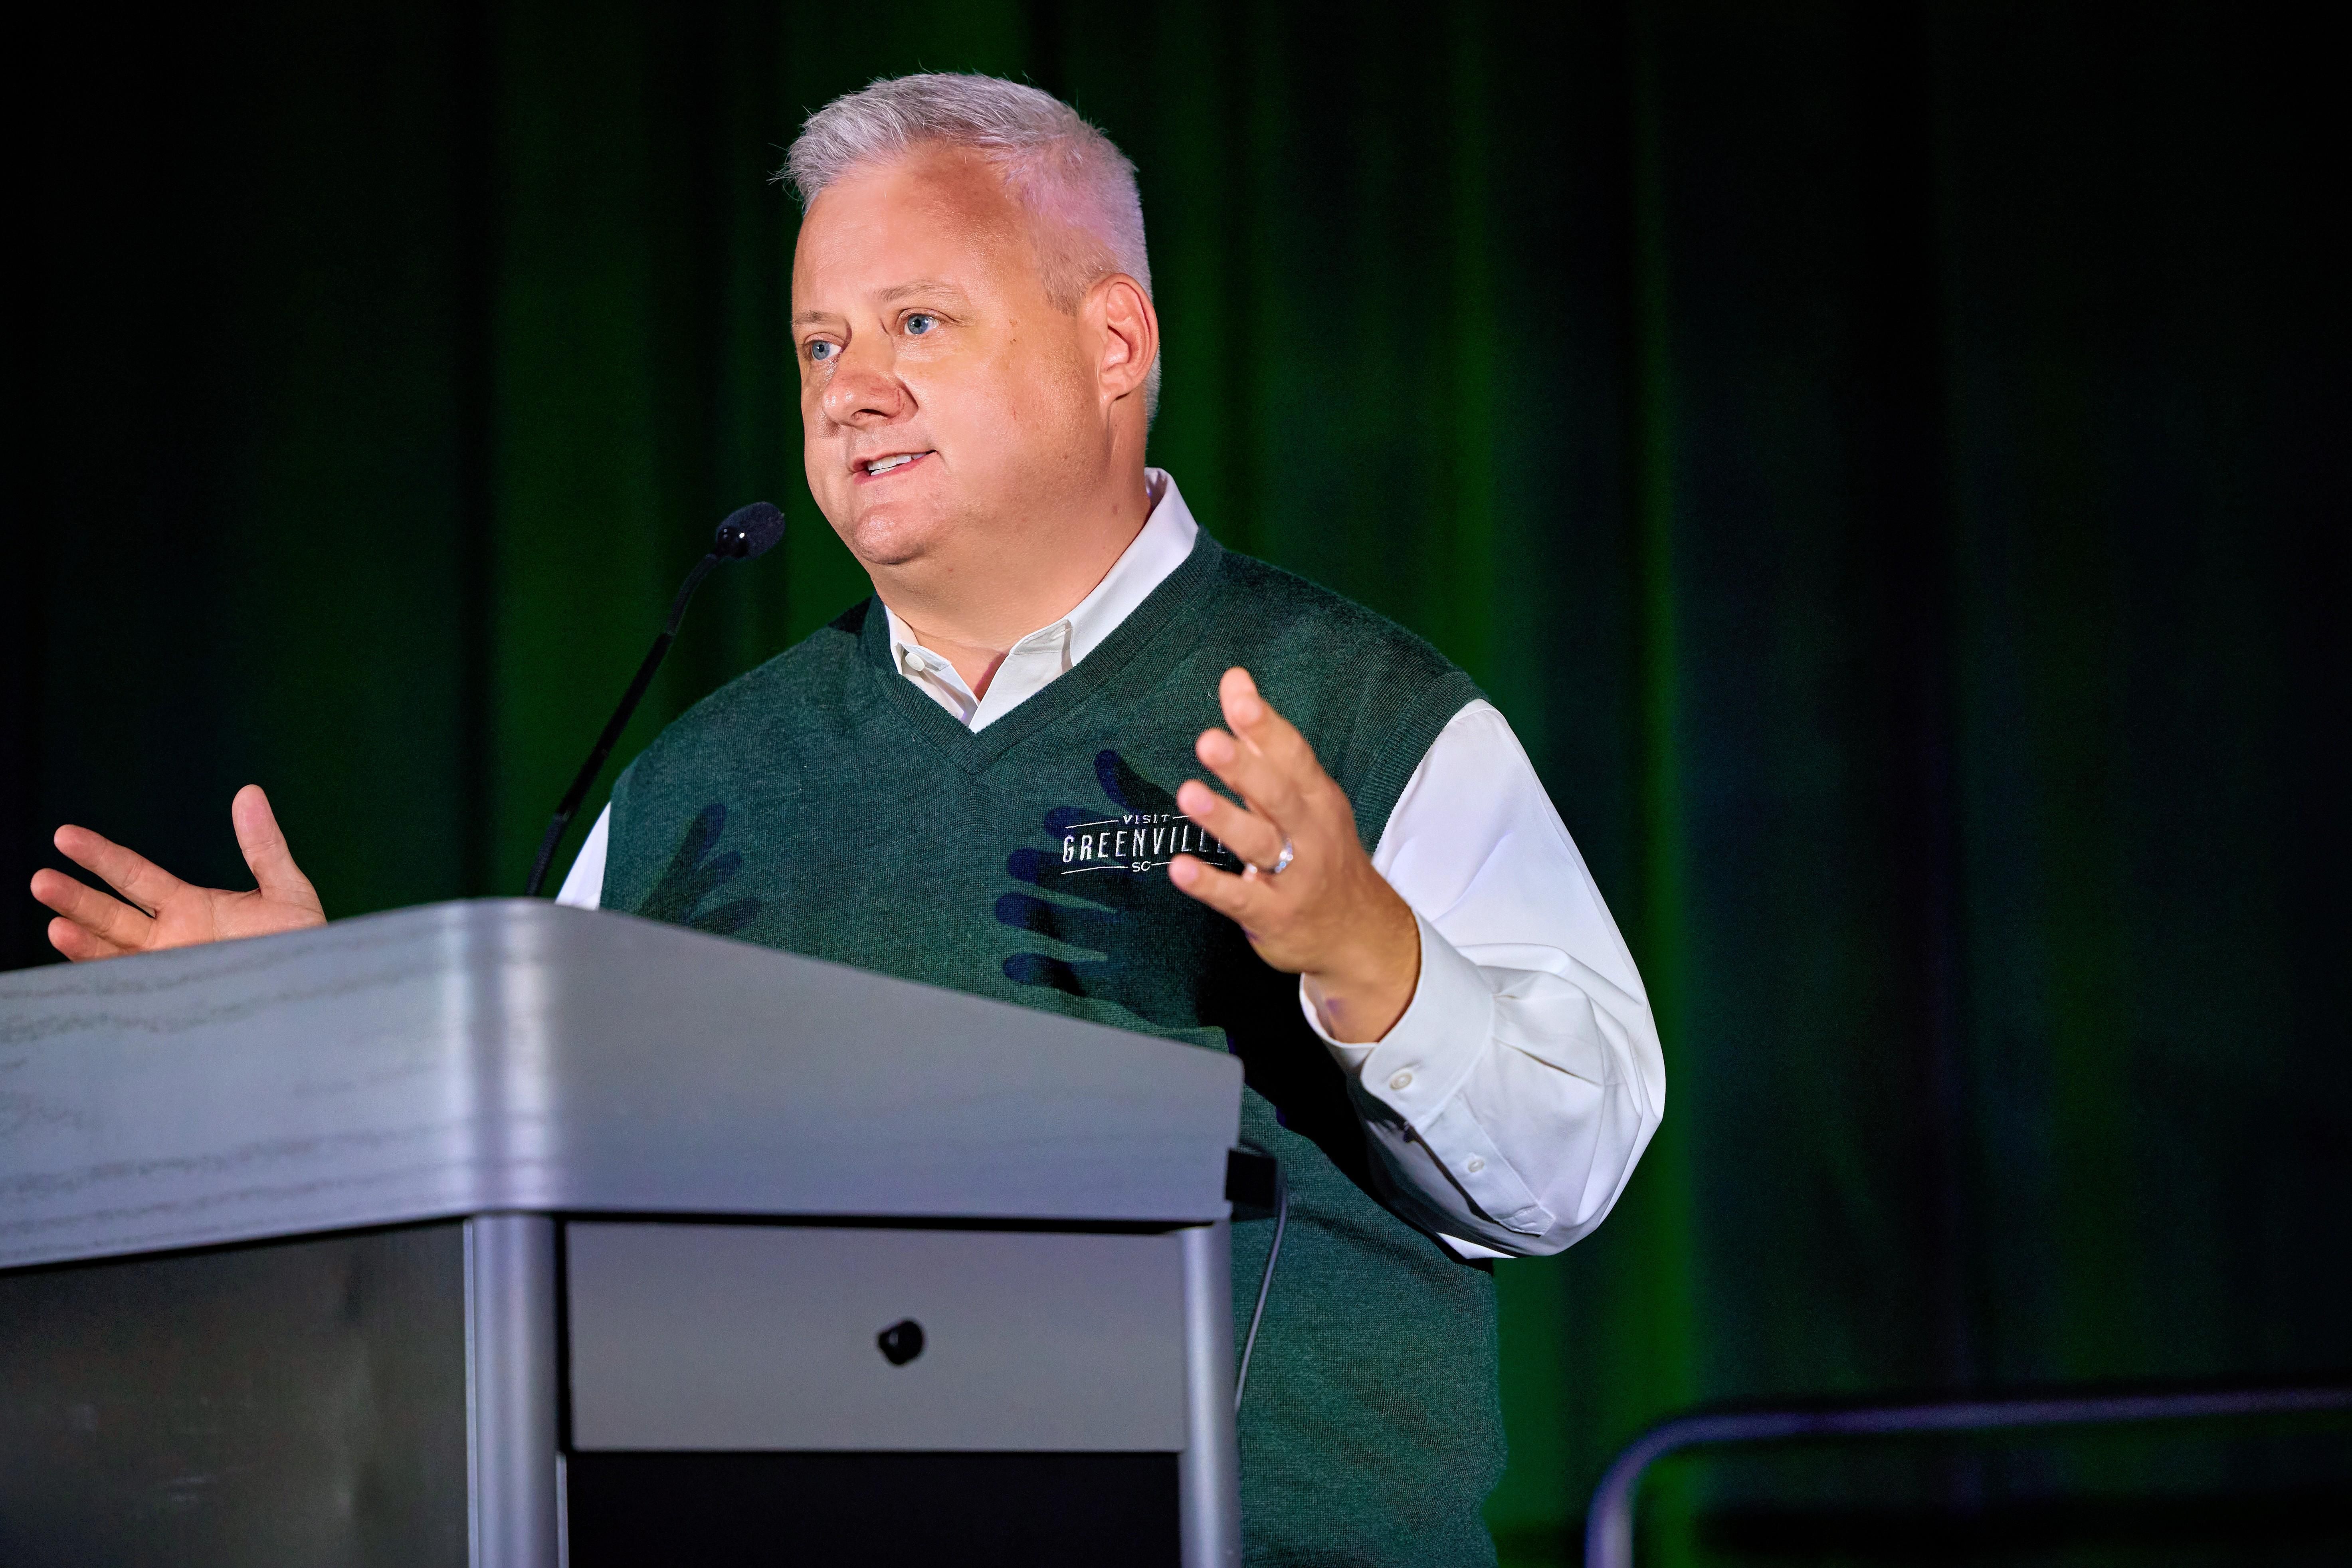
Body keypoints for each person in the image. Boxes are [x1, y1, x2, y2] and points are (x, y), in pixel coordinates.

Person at [31, 73, 1665, 1567]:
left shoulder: (1363, 712)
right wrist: (329, 1037)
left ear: (1116, 344)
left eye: (918, 324)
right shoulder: (695, 783)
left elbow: (1571, 1161)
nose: (853, 390)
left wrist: (1365, 951)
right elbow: (534, 1219)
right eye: (822, 344)